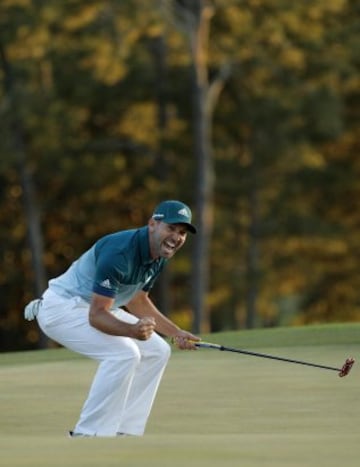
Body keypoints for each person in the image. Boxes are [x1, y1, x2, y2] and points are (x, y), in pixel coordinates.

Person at [24, 200, 200, 437]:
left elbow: (137, 300)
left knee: (158, 351)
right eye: (171, 228)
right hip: (62, 309)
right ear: (152, 224)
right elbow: (97, 316)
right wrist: (133, 331)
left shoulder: (158, 254)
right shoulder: (119, 253)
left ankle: (125, 431)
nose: (176, 237)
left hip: (97, 307)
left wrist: (176, 333)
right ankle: (88, 433)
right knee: (124, 353)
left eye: (182, 233)